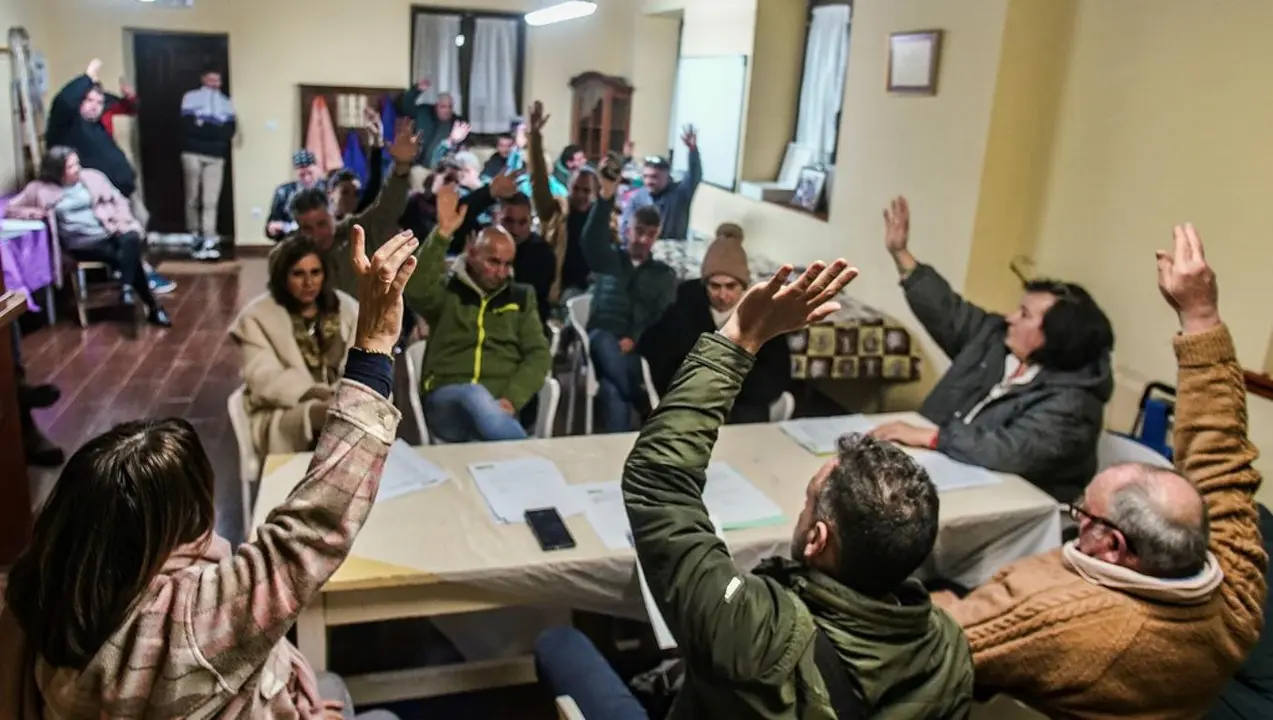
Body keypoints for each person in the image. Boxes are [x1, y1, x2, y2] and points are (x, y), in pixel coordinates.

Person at [0, 225, 419, 718]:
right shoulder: (192, 624)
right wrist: (372, 350)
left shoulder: (35, 602)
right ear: (182, 523)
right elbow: (311, 533)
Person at [937, 223, 1265, 719]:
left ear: (1110, 544)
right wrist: (1200, 317)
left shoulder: (1060, 620)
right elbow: (1220, 458)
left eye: (1081, 512)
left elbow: (940, 647)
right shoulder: (1237, 596)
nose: (1076, 522)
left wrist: (936, 609)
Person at [622, 260, 973, 717]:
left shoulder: (746, 627)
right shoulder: (949, 653)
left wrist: (738, 339)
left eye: (810, 500)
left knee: (562, 647)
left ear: (818, 539)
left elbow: (658, 480)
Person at [870, 197, 1114, 500]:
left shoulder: (1074, 401)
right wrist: (901, 254)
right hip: (941, 470)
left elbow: (1010, 451)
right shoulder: (997, 339)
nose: (1010, 317)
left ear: (1054, 337)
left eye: (1024, 315)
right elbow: (948, 313)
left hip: (1007, 501)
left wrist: (932, 437)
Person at [404, 184, 551, 443]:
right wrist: (442, 235)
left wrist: (511, 398)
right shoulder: (448, 291)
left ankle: (517, 455)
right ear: (472, 254)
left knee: (484, 409)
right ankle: (528, 456)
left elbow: (538, 354)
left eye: (507, 265)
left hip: (498, 410)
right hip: (447, 402)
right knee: (473, 395)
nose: (502, 272)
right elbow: (414, 290)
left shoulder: (520, 296)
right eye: (494, 262)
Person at [5, 146, 171, 327]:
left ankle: (127, 289)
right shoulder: (39, 189)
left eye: (77, 164)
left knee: (130, 238)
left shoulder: (92, 177)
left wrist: (124, 221)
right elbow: (10, 208)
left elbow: (119, 199)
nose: (77, 169)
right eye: (70, 167)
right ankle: (150, 305)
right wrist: (33, 213)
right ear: (56, 170)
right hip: (81, 244)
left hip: (110, 230)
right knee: (130, 258)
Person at [640, 223, 790, 423]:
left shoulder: (762, 315)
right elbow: (663, 362)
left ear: (743, 286)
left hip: (745, 405)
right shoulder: (683, 308)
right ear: (704, 285)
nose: (723, 295)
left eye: (731, 286)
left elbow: (776, 374)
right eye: (715, 286)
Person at [231, 237, 359, 455]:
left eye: (315, 272)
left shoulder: (346, 308)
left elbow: (363, 361)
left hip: (346, 404)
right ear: (282, 277)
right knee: (333, 417)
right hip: (284, 411)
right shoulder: (257, 317)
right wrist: (317, 394)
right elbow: (262, 377)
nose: (309, 282)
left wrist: (343, 396)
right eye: (298, 274)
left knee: (356, 417)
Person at [583, 158, 677, 433]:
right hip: (601, 340)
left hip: (635, 352)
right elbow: (591, 239)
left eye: (649, 234)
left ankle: (620, 454)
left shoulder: (662, 274)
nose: (643, 240)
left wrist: (634, 336)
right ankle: (644, 403)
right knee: (602, 339)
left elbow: (661, 316)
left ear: (657, 236)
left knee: (613, 392)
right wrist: (605, 197)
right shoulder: (609, 260)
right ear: (627, 229)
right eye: (638, 232)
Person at [279, 117, 418, 299]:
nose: (317, 234)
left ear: (331, 215)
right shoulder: (293, 258)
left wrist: (401, 167)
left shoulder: (358, 230)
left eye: (322, 224)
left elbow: (386, 208)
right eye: (307, 228)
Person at [526, 100, 595, 303]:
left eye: (586, 190)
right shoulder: (556, 210)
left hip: (592, 288)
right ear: (569, 188)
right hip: (561, 289)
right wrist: (535, 138)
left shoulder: (601, 217)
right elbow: (538, 181)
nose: (581, 195)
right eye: (576, 189)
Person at [180, 62, 236, 259]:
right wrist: (213, 129)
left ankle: (209, 237)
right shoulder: (190, 97)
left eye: (217, 80)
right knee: (193, 197)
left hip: (216, 156)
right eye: (210, 79)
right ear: (203, 79)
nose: (214, 83)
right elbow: (187, 127)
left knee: (211, 199)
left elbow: (228, 131)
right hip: (192, 153)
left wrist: (204, 125)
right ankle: (194, 234)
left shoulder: (226, 102)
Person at [622, 125, 702, 241]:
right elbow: (625, 228)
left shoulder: (680, 193)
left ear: (667, 175)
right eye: (646, 176)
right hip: (645, 251)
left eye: (654, 177)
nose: (649, 181)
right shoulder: (638, 198)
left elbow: (695, 174)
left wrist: (693, 150)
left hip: (673, 253)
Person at [494, 192, 557, 330]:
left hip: (525, 327)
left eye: (522, 222)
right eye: (508, 221)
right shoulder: (484, 246)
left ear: (530, 221)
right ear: (496, 218)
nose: (515, 230)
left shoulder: (542, 254)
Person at [399, 78, 463, 171]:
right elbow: (405, 108)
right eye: (443, 107)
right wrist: (416, 90)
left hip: (446, 167)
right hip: (422, 163)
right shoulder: (424, 112)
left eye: (450, 107)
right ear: (436, 106)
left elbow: (463, 143)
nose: (447, 110)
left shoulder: (457, 122)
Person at [266, 149, 325, 241]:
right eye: (302, 175)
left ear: (317, 169)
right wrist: (272, 230)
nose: (307, 178)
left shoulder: (328, 190)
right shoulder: (284, 192)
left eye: (310, 173)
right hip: (293, 242)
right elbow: (271, 224)